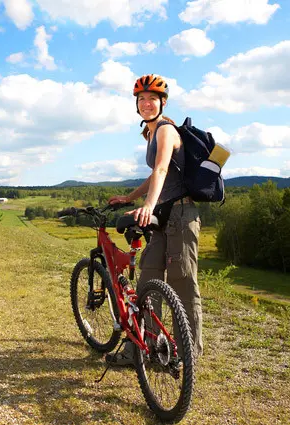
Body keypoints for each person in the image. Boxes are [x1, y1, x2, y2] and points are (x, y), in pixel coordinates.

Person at [106, 74, 202, 366]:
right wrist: (132, 197)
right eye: (141, 99)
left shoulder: (165, 131)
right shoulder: (149, 133)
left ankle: (187, 357)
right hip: (162, 217)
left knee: (182, 284)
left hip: (182, 216)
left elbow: (161, 169)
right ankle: (144, 348)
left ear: (163, 102)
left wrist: (147, 206)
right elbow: (154, 175)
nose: (146, 104)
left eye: (152, 99)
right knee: (148, 279)